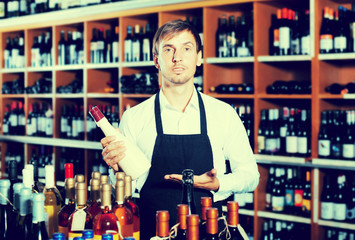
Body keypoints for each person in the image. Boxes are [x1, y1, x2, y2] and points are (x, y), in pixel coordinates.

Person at [101, 19, 259, 239]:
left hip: (209, 230)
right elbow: (125, 191)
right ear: (156, 60)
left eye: (187, 48)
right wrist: (117, 171)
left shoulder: (224, 114)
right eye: (168, 50)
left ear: (199, 57)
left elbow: (251, 176)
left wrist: (218, 183)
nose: (177, 57)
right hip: (152, 230)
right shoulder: (134, 118)